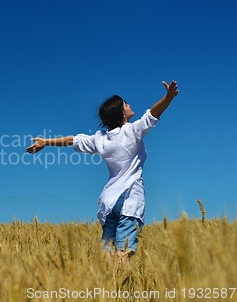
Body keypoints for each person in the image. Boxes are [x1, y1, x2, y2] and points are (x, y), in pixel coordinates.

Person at [25, 81, 179, 264]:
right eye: (125, 104)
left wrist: (46, 142)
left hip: (108, 203)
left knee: (109, 255)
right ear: (122, 114)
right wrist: (169, 97)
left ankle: (106, 287)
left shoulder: (100, 139)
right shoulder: (131, 131)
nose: (129, 105)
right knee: (123, 253)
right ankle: (119, 291)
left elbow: (72, 140)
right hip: (128, 200)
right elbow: (153, 114)